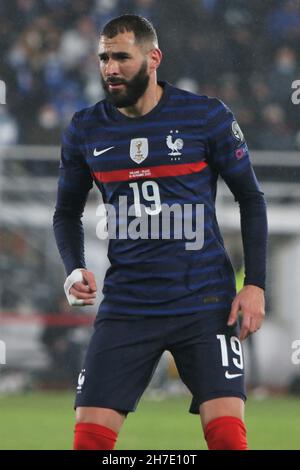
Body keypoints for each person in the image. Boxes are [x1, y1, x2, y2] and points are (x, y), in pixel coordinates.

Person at [53, 14, 267, 450]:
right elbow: (65, 212)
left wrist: (256, 285)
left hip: (205, 303)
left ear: (153, 59)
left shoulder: (206, 116)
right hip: (128, 305)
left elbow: (251, 197)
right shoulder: (85, 129)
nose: (110, 68)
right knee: (88, 443)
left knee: (228, 438)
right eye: (103, 58)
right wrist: (73, 270)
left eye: (121, 57)